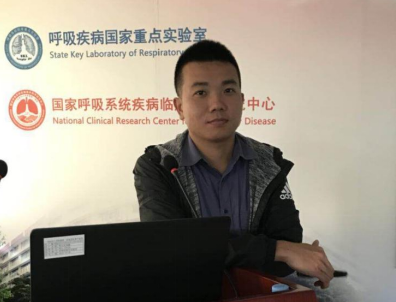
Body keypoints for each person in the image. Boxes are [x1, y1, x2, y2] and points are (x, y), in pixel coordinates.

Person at [133, 40, 334, 288]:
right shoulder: (158, 166)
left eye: (228, 90)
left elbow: (285, 254)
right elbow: (170, 251)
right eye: (201, 93)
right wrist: (276, 250)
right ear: (179, 107)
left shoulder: (270, 162)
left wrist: (279, 251)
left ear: (242, 100)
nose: (217, 104)